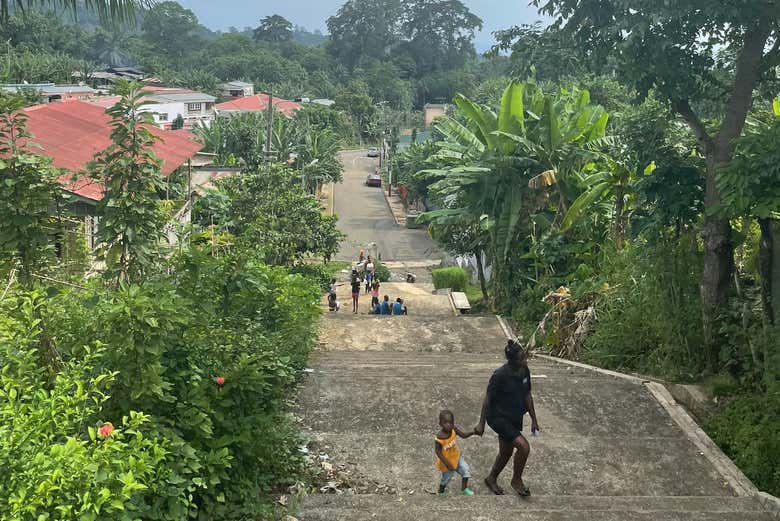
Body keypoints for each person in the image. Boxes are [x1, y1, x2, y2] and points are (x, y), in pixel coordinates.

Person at [475, 340, 540, 497]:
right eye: (521, 359)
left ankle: (491, 479)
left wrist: (534, 419)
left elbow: (527, 394)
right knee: (524, 447)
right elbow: (488, 399)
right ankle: (516, 480)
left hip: (514, 415)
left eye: (525, 357)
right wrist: (481, 423)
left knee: (506, 452)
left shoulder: (524, 371)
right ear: (511, 361)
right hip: (498, 417)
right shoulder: (500, 375)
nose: (524, 361)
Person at [435, 410, 476, 496]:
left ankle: (464, 489)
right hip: (447, 462)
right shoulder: (440, 437)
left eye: (451, 422)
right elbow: (438, 452)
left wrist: (473, 432)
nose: (448, 425)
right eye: (445, 422)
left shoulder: (454, 430)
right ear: (440, 424)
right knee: (446, 479)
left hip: (456, 457)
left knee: (465, 470)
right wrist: (447, 464)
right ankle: (441, 491)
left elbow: (463, 435)